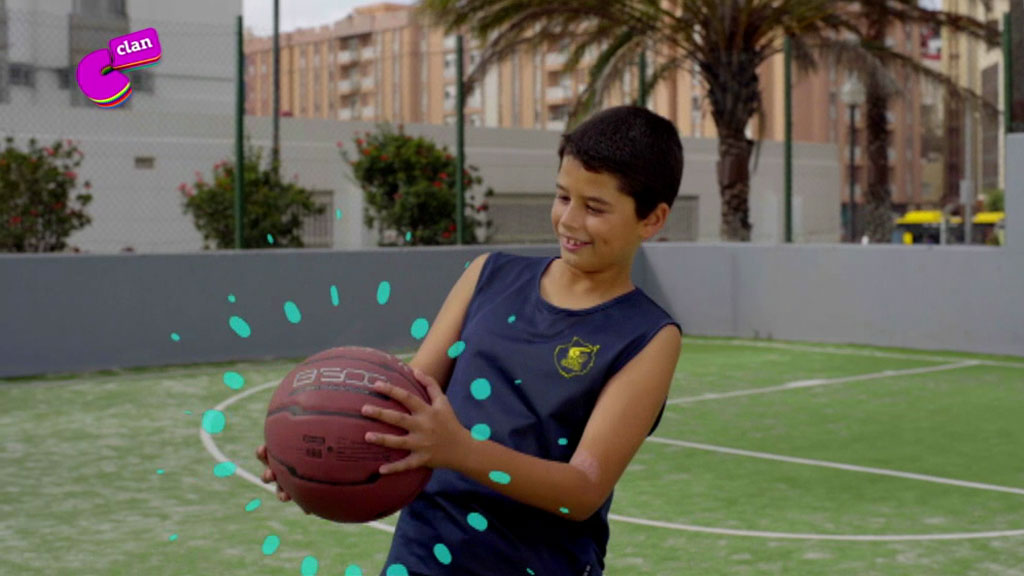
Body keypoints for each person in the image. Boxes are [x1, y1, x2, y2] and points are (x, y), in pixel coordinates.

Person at [256, 105, 684, 576]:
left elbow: (582, 491)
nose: (569, 220)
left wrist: (460, 450)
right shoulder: (488, 275)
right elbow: (403, 402)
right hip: (423, 556)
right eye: (563, 196)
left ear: (652, 219)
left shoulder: (647, 335)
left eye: (595, 208)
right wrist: (310, 457)